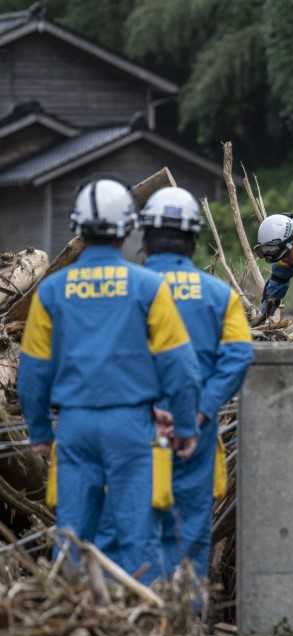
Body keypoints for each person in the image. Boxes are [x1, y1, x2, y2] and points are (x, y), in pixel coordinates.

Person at [17, 177, 201, 584]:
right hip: (132, 428)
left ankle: (74, 619)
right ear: (128, 228)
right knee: (136, 534)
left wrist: (39, 429)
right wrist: (186, 425)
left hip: (75, 427)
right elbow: (180, 367)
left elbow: (32, 372)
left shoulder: (51, 291)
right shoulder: (149, 288)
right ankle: (137, 622)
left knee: (71, 532)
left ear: (78, 228)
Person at [97, 187, 253, 581]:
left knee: (131, 526)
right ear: (193, 238)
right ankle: (184, 622)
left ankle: (139, 619)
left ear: (146, 235)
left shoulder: (122, 288)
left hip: (133, 427)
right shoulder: (220, 295)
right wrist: (201, 409)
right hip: (193, 431)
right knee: (189, 531)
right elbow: (238, 356)